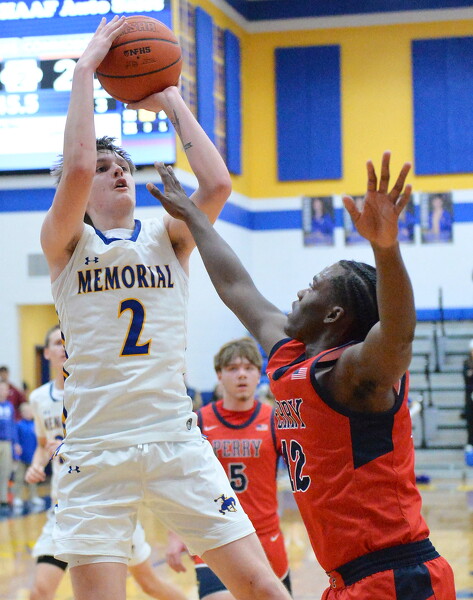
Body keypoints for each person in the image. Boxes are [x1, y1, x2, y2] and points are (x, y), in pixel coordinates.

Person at [40, 16, 290, 600]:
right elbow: (77, 166)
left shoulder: (167, 237)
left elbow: (218, 184)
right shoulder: (65, 243)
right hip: (95, 448)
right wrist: (84, 71)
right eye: (107, 168)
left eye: (124, 166)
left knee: (261, 587)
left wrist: (173, 98)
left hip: (173, 437)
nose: (118, 173)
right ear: (78, 193)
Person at [148, 152, 456, 599]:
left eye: (313, 287)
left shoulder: (355, 373)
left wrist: (386, 248)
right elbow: (236, 287)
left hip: (395, 576)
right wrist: (193, 214)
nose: (299, 292)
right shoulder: (292, 355)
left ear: (333, 314)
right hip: (347, 579)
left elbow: (398, 335)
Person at [26, 324, 189, 600]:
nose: (63, 347)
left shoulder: (98, 392)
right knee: (40, 591)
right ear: (46, 353)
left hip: (108, 501)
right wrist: (36, 465)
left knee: (149, 583)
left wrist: (74, 446)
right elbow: (44, 445)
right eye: (56, 342)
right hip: (64, 506)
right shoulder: (39, 398)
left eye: (67, 341)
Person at [166, 338, 291, 599]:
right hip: (216, 535)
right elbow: (180, 480)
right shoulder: (200, 421)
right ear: (219, 375)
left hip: (266, 537)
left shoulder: (273, 420)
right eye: (233, 368)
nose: (241, 374)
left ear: (259, 374)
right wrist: (175, 534)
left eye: (249, 368)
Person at [12, 402, 44, 512]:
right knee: (19, 478)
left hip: (33, 456)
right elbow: (16, 440)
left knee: (33, 477)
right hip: (21, 457)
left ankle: (34, 496)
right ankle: (17, 497)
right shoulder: (19, 425)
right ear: (21, 413)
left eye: (30, 411)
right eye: (26, 411)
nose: (28, 413)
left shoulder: (36, 425)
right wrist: (16, 451)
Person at [0, 380, 21, 513]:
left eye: (5, 389)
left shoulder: (10, 406)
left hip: (7, 443)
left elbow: (13, 426)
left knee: (5, 470)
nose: (2, 391)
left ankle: (3, 499)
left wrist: (16, 443)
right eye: (1, 389)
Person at [463, 340, 473, 453]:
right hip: (470, 396)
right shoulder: (467, 363)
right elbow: (467, 377)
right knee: (470, 420)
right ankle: (470, 442)